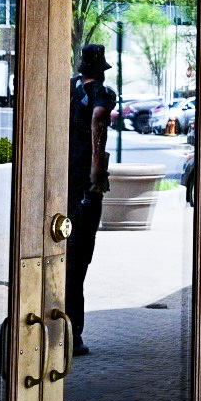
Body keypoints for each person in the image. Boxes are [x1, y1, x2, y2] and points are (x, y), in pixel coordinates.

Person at [67, 43, 116, 356]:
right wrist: (98, 170)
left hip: (62, 179)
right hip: (84, 182)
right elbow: (99, 119)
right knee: (79, 257)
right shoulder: (101, 93)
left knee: (64, 255)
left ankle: (62, 329)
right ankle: (73, 334)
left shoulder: (68, 88)